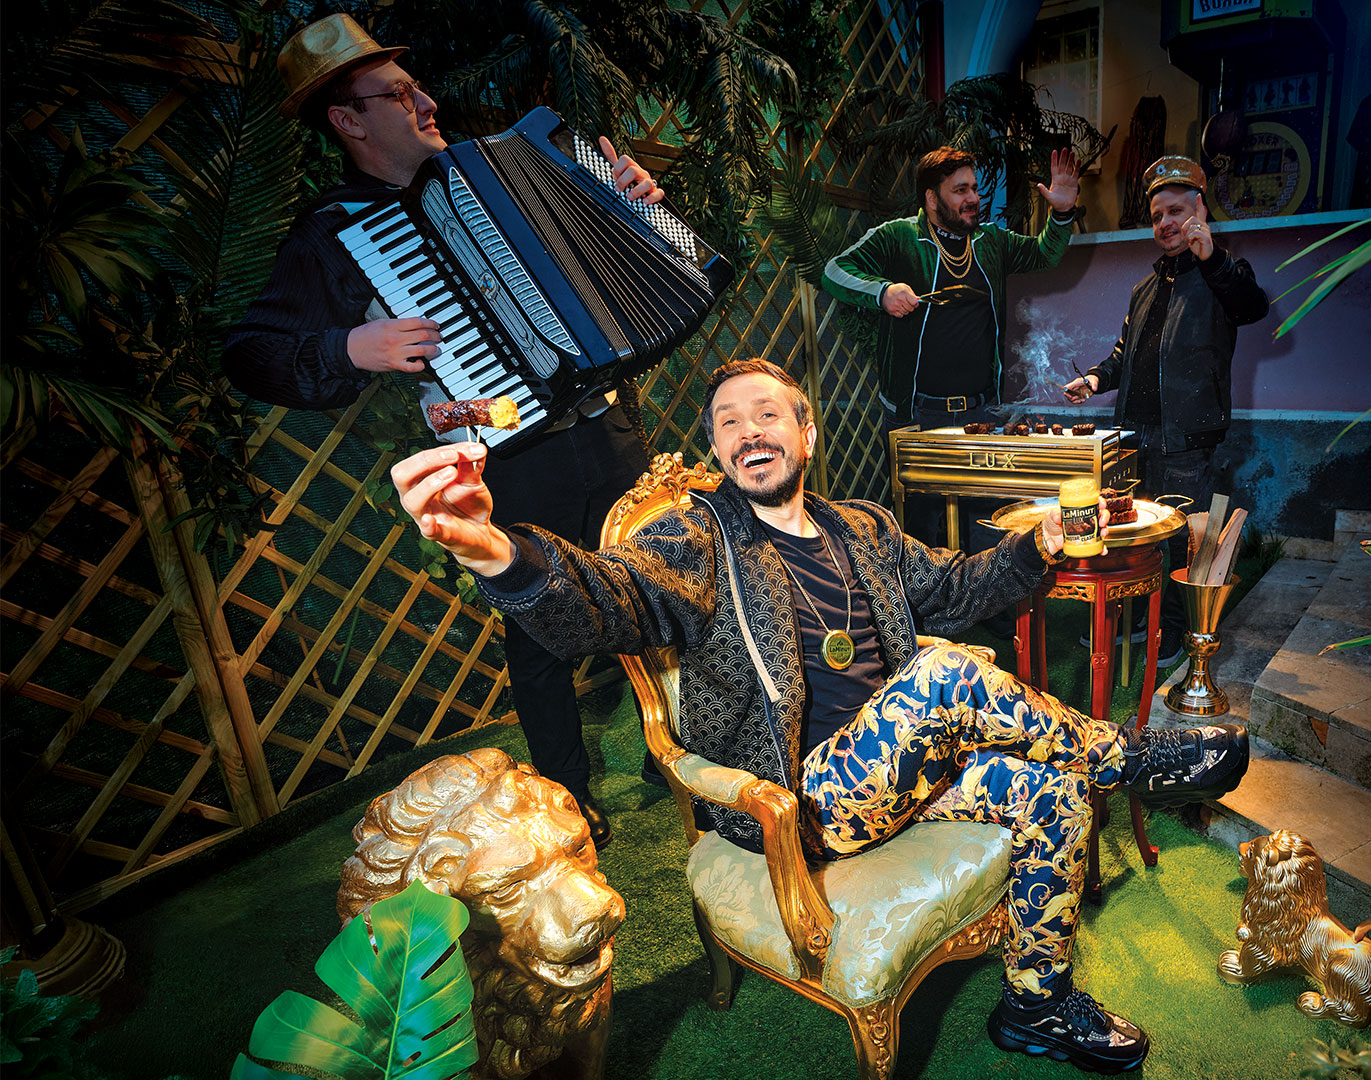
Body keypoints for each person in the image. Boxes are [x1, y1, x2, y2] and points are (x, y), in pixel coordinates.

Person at [389, 358, 1250, 1073]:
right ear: (718, 450)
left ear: (806, 434)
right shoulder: (697, 539)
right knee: (946, 675)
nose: (748, 432)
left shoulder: (862, 528)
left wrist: (1038, 547)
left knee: (1052, 793)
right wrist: (496, 552)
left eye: (767, 414)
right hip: (803, 797)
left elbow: (954, 588)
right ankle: (1130, 760)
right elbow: (610, 600)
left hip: (906, 770)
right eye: (728, 423)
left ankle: (1036, 1003)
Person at [222, 13, 669, 848]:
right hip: (510, 457)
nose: (426, 102)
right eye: (399, 95)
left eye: (416, 86)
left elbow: (614, 257)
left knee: (655, 593)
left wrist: (639, 207)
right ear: (348, 121)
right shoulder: (335, 231)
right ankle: (566, 799)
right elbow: (251, 353)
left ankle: (672, 753)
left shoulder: (497, 171)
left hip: (608, 425)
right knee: (537, 633)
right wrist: (351, 346)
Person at [823, 146, 1080, 561]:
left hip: (982, 415)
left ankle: (990, 596)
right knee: (920, 534)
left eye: (974, 188)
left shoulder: (991, 241)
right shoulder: (898, 237)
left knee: (987, 525)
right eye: (960, 190)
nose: (973, 198)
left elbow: (1043, 253)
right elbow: (834, 270)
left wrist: (1063, 213)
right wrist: (882, 292)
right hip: (917, 416)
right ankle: (925, 600)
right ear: (931, 197)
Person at [1064, 156, 1268, 664]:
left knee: (1182, 541)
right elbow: (1124, 356)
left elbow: (1252, 306)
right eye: (1157, 216)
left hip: (1187, 440)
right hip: (1133, 437)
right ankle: (1137, 620)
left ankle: (1173, 631)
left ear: (1200, 209)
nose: (1165, 223)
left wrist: (1212, 257)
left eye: (1175, 211)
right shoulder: (1144, 289)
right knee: (1132, 535)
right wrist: (1095, 378)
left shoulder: (1223, 274)